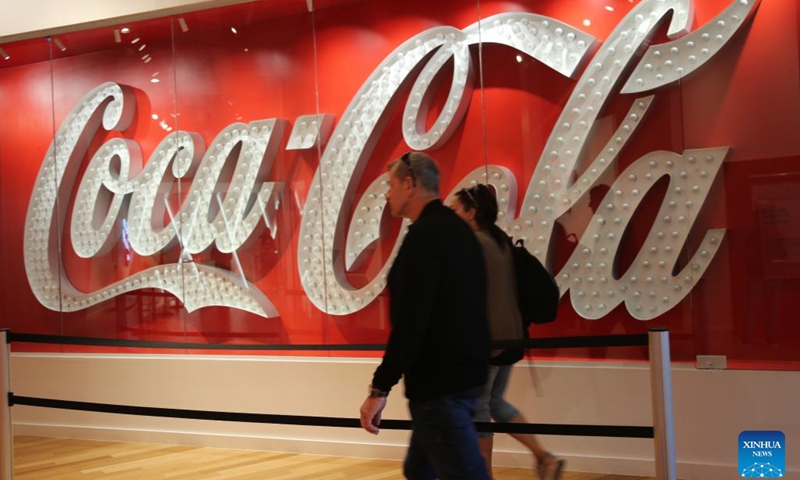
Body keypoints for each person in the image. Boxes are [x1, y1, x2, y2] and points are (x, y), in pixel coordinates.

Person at [359, 151, 492, 480]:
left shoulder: (423, 238)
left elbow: (411, 323)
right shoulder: (459, 232)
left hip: (439, 384)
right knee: (418, 470)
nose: (387, 193)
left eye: (391, 185)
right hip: (465, 375)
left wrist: (379, 389)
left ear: (409, 183)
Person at [449, 184, 565, 480]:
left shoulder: (473, 245)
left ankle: (484, 473)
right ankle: (544, 458)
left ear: (471, 212)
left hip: (488, 341)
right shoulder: (500, 241)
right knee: (494, 402)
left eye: (455, 210)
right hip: (511, 337)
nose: (450, 216)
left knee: (479, 407)